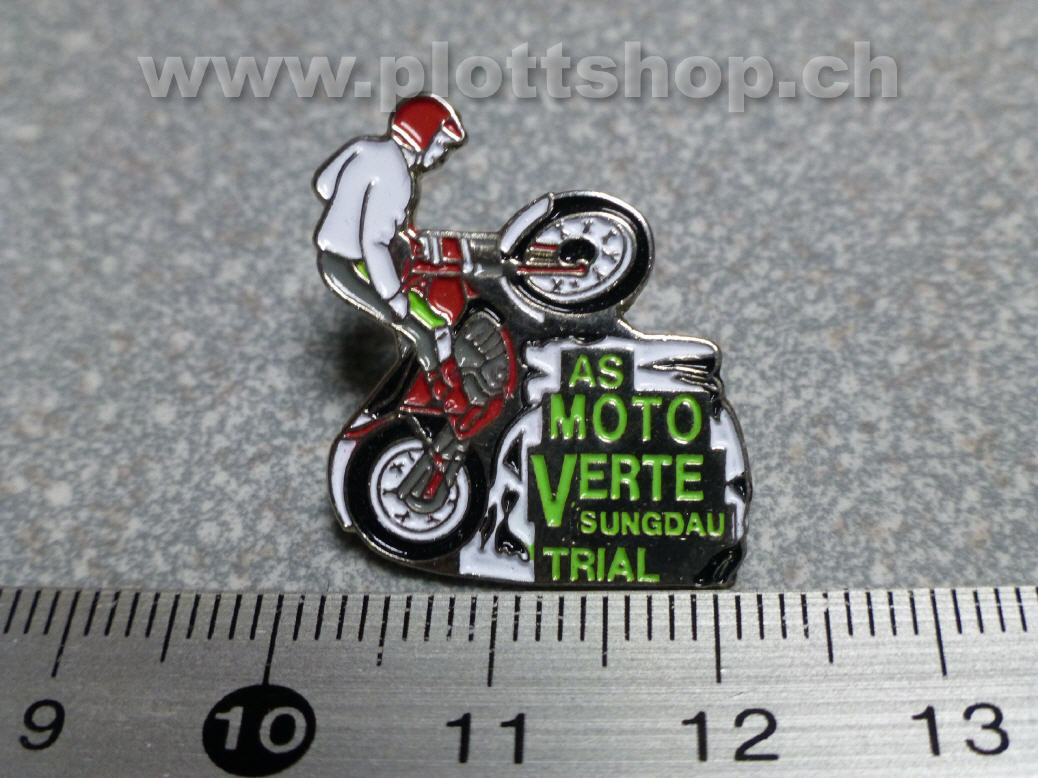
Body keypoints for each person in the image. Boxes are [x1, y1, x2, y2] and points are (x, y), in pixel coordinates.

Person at [313, 94, 466, 376]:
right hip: (352, 265)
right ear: (421, 138)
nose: (442, 155)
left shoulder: (363, 147)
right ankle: (436, 386)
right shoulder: (398, 179)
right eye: (440, 144)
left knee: (416, 320)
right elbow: (374, 243)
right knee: (424, 332)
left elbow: (325, 186)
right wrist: (394, 296)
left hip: (333, 256)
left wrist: (352, 207)